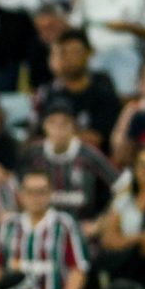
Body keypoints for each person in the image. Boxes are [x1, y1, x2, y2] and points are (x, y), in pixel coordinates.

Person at [20, 99, 121, 236]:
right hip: (42, 230)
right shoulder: (33, 156)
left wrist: (101, 222)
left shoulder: (89, 156)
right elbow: (18, 190)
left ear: (73, 126)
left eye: (64, 123)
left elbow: (122, 188)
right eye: (53, 123)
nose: (58, 129)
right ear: (44, 126)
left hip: (84, 231)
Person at [0, 170, 90, 289]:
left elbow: (78, 269)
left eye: (41, 192)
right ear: (21, 194)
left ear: (51, 193)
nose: (35, 197)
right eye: (30, 192)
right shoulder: (9, 226)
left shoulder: (64, 225)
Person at [35, 29, 122, 156]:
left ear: (89, 53)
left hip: (94, 161)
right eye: (64, 52)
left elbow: (96, 139)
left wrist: (57, 136)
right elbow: (34, 138)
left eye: (75, 52)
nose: (69, 58)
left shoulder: (102, 88)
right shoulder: (47, 92)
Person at [100, 148, 145, 288]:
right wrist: (138, 238)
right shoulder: (124, 200)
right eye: (142, 165)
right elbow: (108, 239)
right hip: (129, 269)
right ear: (135, 168)